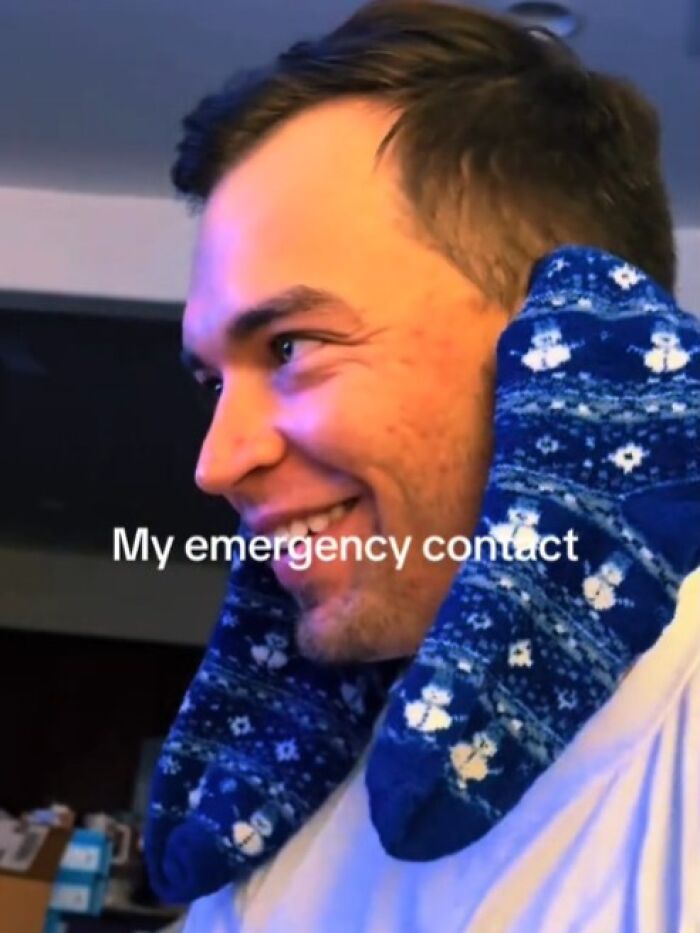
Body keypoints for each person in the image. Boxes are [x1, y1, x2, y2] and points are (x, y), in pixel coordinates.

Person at [164, 1, 699, 929]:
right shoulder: (287, 813)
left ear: (562, 345)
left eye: (291, 347)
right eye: (214, 379)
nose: (217, 462)